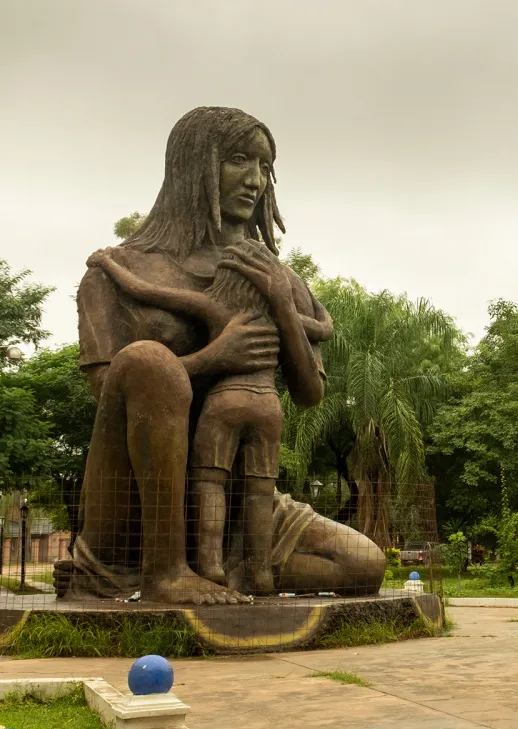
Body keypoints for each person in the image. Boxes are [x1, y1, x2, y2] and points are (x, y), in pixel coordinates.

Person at [64, 106, 386, 605]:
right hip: (137, 503)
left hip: (237, 502)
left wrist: (282, 303)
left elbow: (309, 393)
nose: (255, 180)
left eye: (265, 166)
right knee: (148, 359)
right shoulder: (115, 272)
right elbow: (114, 393)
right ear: (193, 166)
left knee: (363, 564)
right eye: (238, 160)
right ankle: (165, 572)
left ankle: (232, 570)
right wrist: (215, 357)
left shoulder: (272, 274)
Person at [86, 244, 332, 596]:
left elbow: (146, 290)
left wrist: (107, 263)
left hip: (225, 404)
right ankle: (259, 572)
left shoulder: (216, 307)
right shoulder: (279, 316)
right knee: (260, 489)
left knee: (209, 481)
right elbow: (323, 328)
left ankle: (210, 566)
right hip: (267, 407)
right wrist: (284, 302)